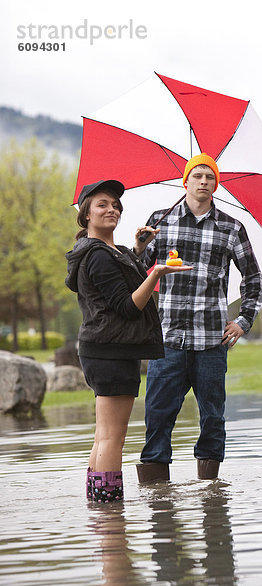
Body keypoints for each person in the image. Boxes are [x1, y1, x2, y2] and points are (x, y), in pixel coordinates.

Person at [133, 153, 262, 482]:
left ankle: (211, 495)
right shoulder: (159, 222)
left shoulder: (232, 228)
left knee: (213, 419)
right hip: (168, 341)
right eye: (198, 175)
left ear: (216, 185)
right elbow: (136, 274)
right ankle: (157, 501)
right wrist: (138, 248)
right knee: (157, 416)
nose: (204, 181)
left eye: (210, 177)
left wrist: (243, 321)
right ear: (185, 181)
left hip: (212, 342)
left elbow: (253, 280)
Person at [65, 180, 191, 502]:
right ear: (86, 214)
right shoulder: (98, 256)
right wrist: (156, 274)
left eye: (115, 205)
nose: (112, 209)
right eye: (102, 204)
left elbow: (119, 285)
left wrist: (137, 250)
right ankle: (110, 511)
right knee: (112, 438)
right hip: (111, 351)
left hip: (103, 349)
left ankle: (99, 507)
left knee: (102, 436)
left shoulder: (110, 252)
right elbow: (128, 307)